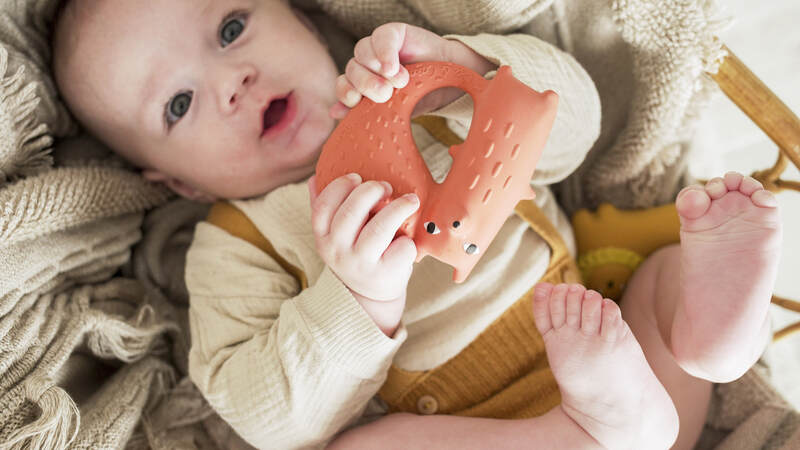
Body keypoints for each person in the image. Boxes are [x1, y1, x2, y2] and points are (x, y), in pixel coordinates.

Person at [51, 1, 782, 448]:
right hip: (490, 438)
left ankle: (713, 345)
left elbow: (574, 124)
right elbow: (269, 418)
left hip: (647, 393)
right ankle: (588, 431)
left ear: (304, 23)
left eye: (232, 28)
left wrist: (467, 68)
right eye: (178, 106)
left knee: (663, 276)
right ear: (178, 182)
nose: (230, 81)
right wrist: (358, 298)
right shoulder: (238, 241)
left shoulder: (421, 100)